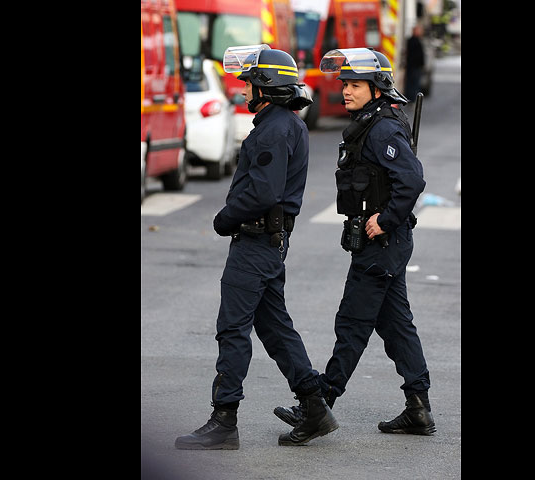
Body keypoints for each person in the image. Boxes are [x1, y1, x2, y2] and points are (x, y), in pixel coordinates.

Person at [175, 45, 338, 450]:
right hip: (269, 242)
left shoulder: (275, 127)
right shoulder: (284, 124)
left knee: (232, 329)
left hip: (255, 242)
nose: (244, 90)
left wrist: (225, 217)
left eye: (249, 83)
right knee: (275, 328)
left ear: (265, 87)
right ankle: (314, 407)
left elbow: (262, 192)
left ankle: (224, 419)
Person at [274, 48, 436, 436]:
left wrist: (386, 218)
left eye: (355, 85)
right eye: (344, 84)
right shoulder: (370, 122)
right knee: (396, 325)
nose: (346, 91)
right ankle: (419, 406)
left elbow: (412, 180)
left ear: (376, 88)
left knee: (352, 323)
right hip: (382, 243)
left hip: (382, 242)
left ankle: (320, 406)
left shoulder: (382, 128)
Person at [404, 25, 425, 102]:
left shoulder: (416, 40)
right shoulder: (413, 41)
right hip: (414, 67)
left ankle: (412, 99)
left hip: (415, 66)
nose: (421, 32)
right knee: (413, 84)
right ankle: (411, 99)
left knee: (413, 84)